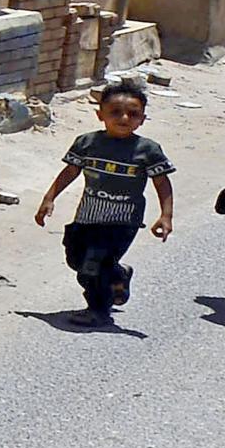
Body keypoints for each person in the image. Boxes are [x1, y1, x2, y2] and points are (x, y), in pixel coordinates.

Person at [34, 79, 177, 329]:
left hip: (122, 222)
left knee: (94, 266)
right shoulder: (87, 143)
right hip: (87, 218)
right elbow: (70, 171)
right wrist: (49, 198)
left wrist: (166, 216)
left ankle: (98, 310)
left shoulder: (147, 150)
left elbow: (162, 183)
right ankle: (119, 276)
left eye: (133, 114)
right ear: (100, 115)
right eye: (115, 112)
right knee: (77, 260)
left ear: (142, 119)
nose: (124, 118)